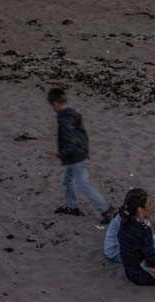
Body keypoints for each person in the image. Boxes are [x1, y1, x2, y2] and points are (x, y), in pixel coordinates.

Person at [45, 87, 110, 222]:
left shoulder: (65, 119)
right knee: (67, 180)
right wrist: (86, 151)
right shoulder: (73, 114)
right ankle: (72, 207)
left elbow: (71, 141)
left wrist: (60, 155)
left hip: (75, 157)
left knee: (83, 184)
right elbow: (82, 135)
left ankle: (106, 210)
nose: (52, 108)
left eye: (52, 106)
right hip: (78, 155)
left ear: (55, 103)